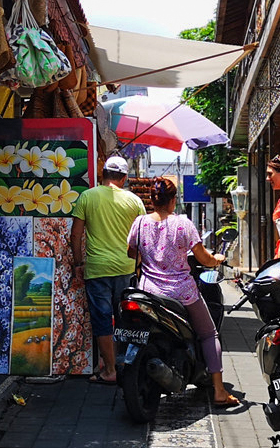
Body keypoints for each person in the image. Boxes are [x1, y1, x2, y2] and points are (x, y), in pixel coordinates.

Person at [126, 177, 240, 407]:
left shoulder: (139, 223)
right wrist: (217, 259)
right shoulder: (183, 224)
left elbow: (131, 253)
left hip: (148, 291)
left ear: (151, 199)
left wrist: (151, 259)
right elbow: (204, 259)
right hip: (181, 291)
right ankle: (219, 390)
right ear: (173, 200)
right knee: (209, 334)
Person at [71, 155, 145, 384]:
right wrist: (140, 265)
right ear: (123, 178)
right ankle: (122, 364)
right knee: (124, 319)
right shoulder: (134, 201)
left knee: (102, 319)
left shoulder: (87, 197)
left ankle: (109, 369)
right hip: (125, 268)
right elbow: (143, 239)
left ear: (103, 174)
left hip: (97, 269)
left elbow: (75, 235)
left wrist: (77, 263)